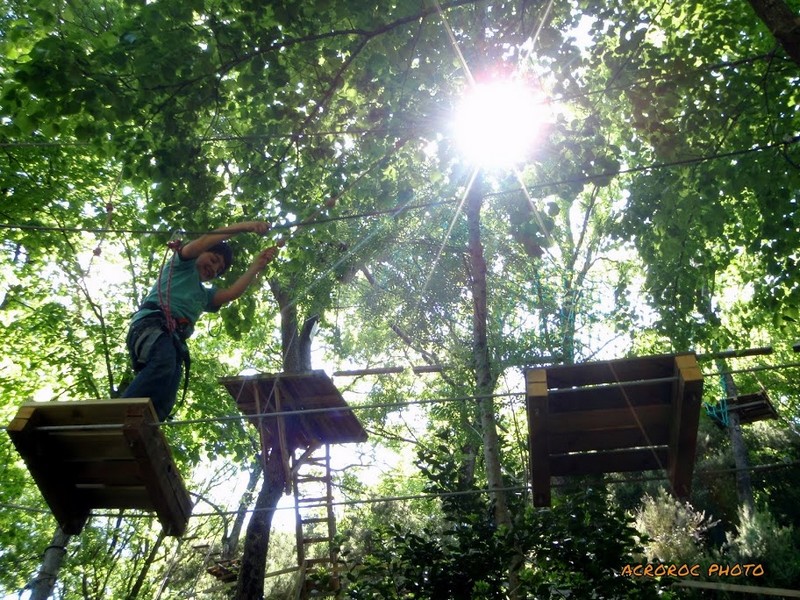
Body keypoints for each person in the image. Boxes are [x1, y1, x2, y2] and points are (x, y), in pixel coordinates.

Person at [122, 220, 278, 421]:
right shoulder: (181, 265)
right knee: (163, 364)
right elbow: (207, 239)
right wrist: (246, 226)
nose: (214, 269)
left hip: (172, 341)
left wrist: (256, 266)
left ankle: (147, 428)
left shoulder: (204, 295)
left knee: (167, 392)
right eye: (213, 260)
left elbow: (231, 293)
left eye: (218, 270)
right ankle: (118, 415)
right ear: (201, 253)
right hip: (151, 326)